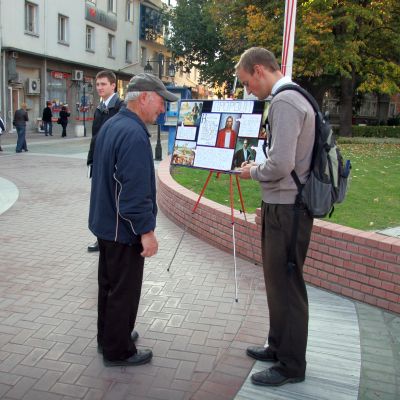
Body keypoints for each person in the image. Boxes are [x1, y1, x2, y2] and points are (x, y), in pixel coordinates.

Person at [237, 47, 315, 386]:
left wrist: (253, 171)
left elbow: (281, 164)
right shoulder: (294, 97)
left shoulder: (284, 102)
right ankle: (277, 345)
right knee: (277, 282)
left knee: (286, 285)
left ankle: (290, 365)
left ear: (259, 70)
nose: (249, 90)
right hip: (285, 205)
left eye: (248, 84)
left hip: (288, 207)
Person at [89, 73, 178, 366]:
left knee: (109, 287)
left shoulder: (113, 124)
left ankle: (110, 337)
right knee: (123, 291)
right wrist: (147, 231)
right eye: (161, 102)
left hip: (106, 225)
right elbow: (134, 191)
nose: (163, 109)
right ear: (144, 98)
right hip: (122, 228)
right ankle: (119, 350)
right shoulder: (134, 134)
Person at [87, 70, 124, 253]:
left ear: (113, 85)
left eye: (103, 84)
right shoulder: (100, 108)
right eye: (98, 84)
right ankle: (100, 237)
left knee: (111, 201)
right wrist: (91, 160)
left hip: (112, 164)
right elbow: (95, 137)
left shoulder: (120, 107)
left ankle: (111, 237)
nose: (99, 88)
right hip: (99, 162)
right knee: (99, 201)